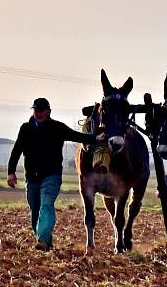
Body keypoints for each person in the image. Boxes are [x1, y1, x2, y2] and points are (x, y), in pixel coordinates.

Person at [7, 98, 104, 251]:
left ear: (48, 112)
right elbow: (16, 150)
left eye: (41, 110)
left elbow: (76, 136)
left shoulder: (57, 127)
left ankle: (43, 240)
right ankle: (46, 242)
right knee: (35, 211)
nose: (38, 113)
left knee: (46, 205)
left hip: (51, 176)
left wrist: (95, 138)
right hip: (32, 177)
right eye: (36, 110)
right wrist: (11, 172)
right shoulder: (26, 129)